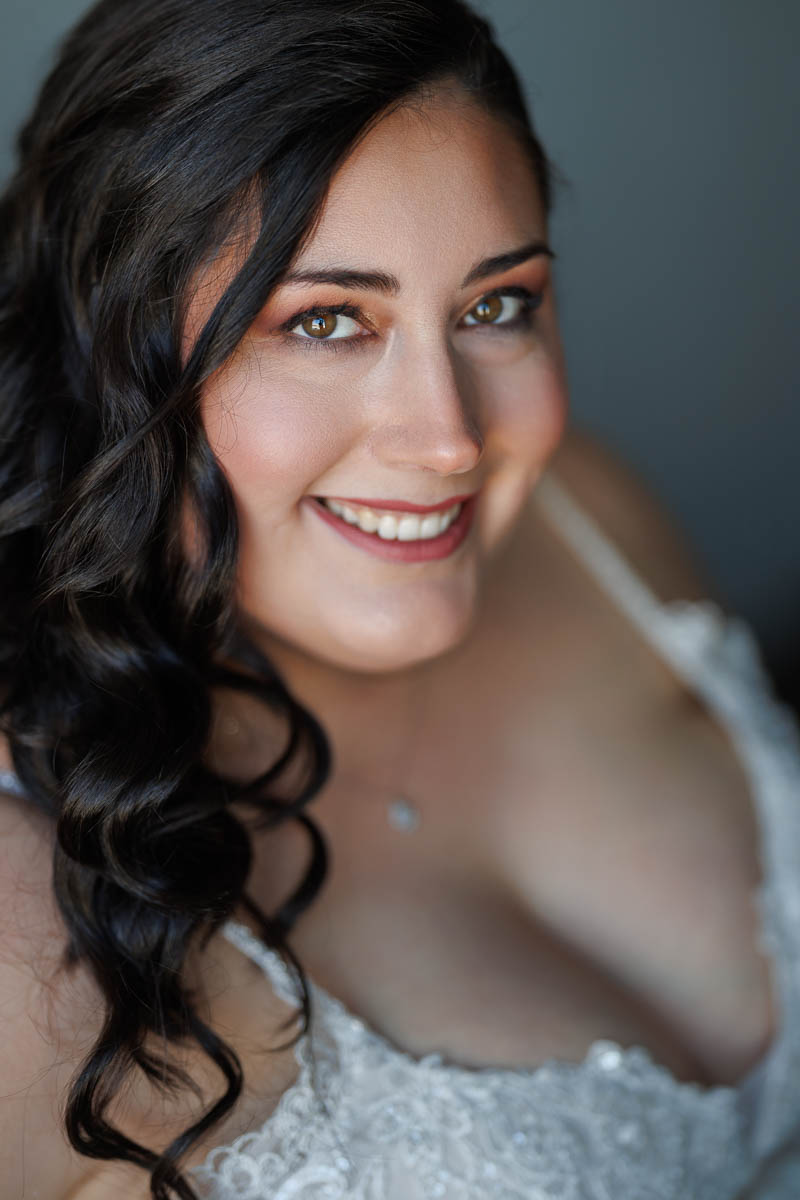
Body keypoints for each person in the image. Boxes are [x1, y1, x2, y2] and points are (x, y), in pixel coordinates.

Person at [1, 0, 799, 1196]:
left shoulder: (589, 522)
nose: (449, 442)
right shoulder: (28, 932)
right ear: (106, 355)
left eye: (495, 306)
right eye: (323, 321)